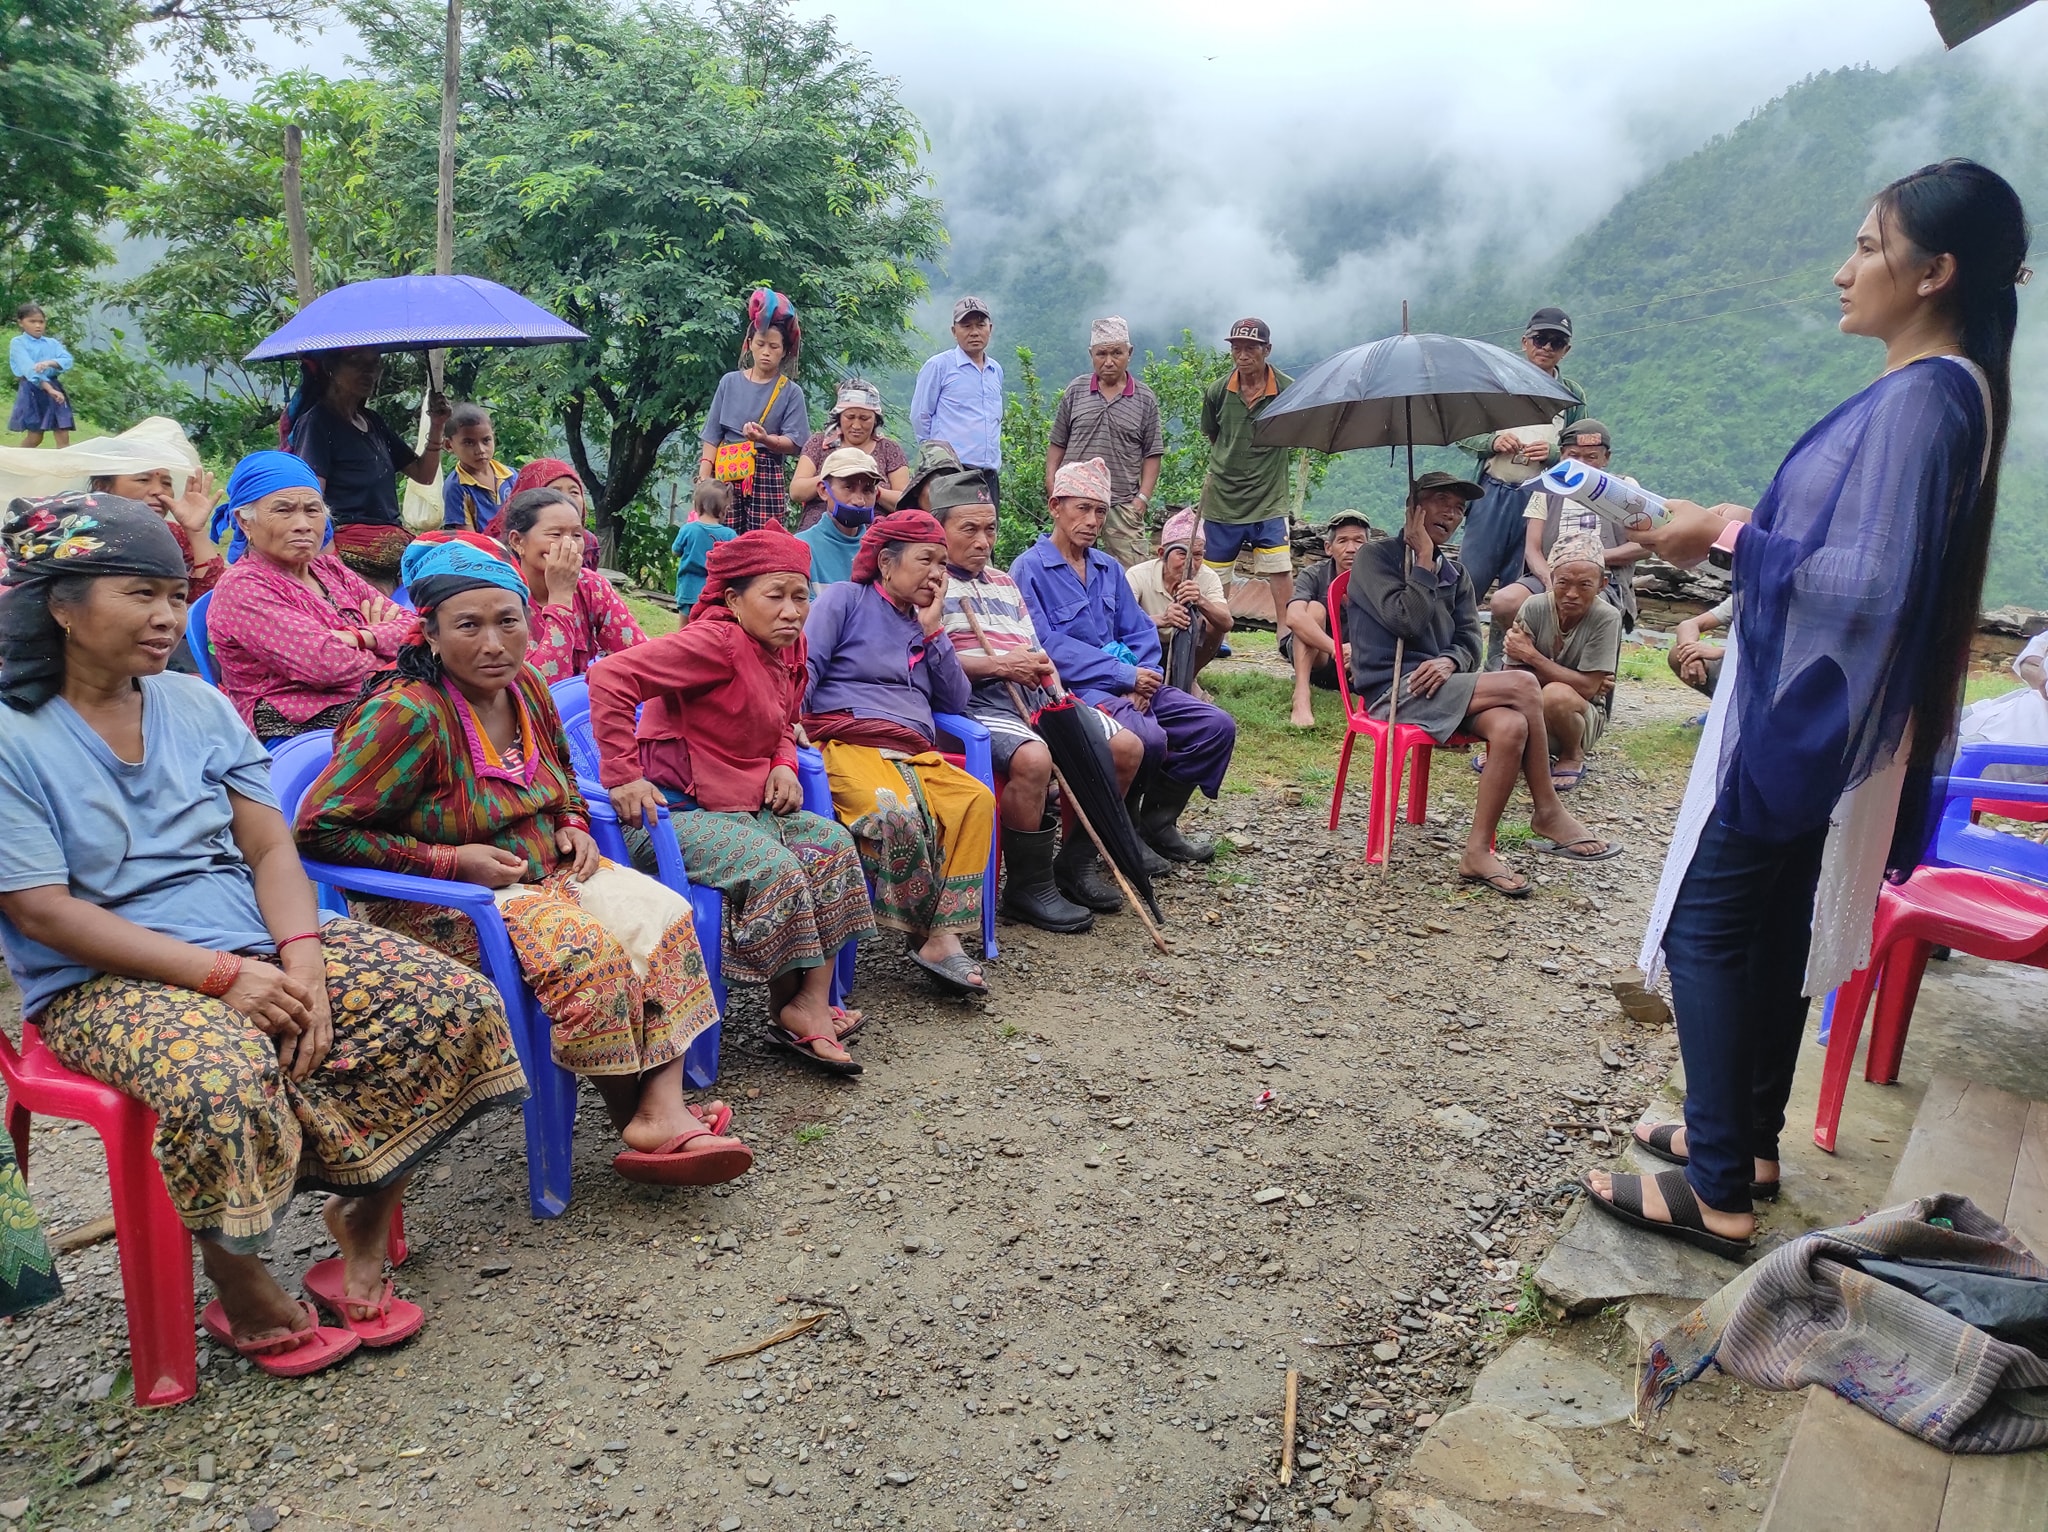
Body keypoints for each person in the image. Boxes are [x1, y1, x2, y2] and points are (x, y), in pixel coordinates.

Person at [1597, 160, 2027, 1259]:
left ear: (1934, 272)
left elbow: (1862, 584)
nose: (1843, 271)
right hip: (1830, 718)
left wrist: (1726, 535)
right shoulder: (1960, 392)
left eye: (1869, 248)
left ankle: (1715, 1186)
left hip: (1800, 721)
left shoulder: (1922, 399)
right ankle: (1743, 1140)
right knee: (1774, 919)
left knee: (1707, 924)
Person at [0, 491, 526, 1374]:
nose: (170, 616)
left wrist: (302, 957)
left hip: (253, 936)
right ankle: (236, 1273)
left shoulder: (198, 706)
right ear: (60, 603)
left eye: (175, 595)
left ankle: (359, 1222)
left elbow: (270, 846)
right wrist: (222, 980)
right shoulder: (13, 737)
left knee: (446, 998)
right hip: (101, 980)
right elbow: (42, 911)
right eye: (141, 595)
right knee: (224, 1071)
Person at [295, 534, 751, 1187]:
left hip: (545, 870)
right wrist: (452, 861)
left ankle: (659, 1111)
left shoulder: (528, 686)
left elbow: (564, 777)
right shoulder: (404, 715)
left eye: (508, 621)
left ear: (529, 622)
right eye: (468, 626)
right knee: (590, 956)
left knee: (665, 915)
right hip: (441, 903)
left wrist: (571, 823)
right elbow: (318, 831)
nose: (492, 643)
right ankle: (644, 1116)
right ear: (428, 631)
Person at [590, 529, 876, 1074]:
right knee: (777, 868)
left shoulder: (788, 644)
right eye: (776, 595)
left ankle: (807, 1002)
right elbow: (609, 676)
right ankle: (798, 1007)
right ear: (733, 600)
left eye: (801, 595)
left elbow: (783, 719)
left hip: (743, 802)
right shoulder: (714, 643)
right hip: (673, 813)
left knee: (834, 845)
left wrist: (784, 764)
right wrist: (623, 775)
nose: (793, 610)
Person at [1346, 471, 1616, 897]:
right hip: (1392, 691)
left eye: (1458, 508)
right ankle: (1547, 809)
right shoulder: (1375, 558)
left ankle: (1477, 851)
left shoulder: (1456, 574)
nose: (1451, 513)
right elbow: (1406, 620)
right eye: (1440, 502)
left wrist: (1450, 661)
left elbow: (1471, 642)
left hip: (1442, 688)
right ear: (1413, 509)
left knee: (1511, 726)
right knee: (1525, 685)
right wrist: (1421, 563)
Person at [936, 467, 1146, 929]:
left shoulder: (1004, 584)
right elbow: (932, 663)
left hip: (1032, 693)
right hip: (977, 702)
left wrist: (1052, 687)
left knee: (1126, 747)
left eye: (989, 529)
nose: (982, 541)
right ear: (940, 530)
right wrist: (997, 666)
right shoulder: (930, 585)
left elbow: (1037, 649)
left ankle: (1074, 864)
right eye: (968, 529)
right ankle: (1028, 887)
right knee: (1033, 759)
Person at [803, 509, 996, 996]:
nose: (937, 573)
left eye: (941, 564)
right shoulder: (846, 600)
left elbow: (954, 701)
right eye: (926, 560)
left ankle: (938, 929)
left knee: (976, 801)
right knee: (894, 813)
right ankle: (933, 936)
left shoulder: (924, 623)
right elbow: (803, 667)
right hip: (850, 740)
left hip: (914, 749)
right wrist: (789, 731)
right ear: (886, 564)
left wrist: (934, 632)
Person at [1013, 459, 1238, 865]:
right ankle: (1121, 829)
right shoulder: (1029, 569)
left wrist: (1145, 674)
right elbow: (1045, 644)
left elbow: (1140, 631)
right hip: (1076, 691)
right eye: (1081, 508)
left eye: (1100, 510)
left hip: (1132, 682)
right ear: (1055, 507)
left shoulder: (1108, 568)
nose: (1092, 520)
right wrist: (1124, 674)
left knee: (1214, 725)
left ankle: (1156, 825)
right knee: (1148, 739)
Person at [209, 452, 413, 739]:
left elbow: (415, 629)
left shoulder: (328, 568)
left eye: (313, 510)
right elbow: (327, 664)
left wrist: (361, 638)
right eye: (284, 510)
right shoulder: (243, 586)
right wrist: (390, 649)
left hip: (370, 698)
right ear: (245, 522)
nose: (303, 524)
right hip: (296, 726)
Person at [0, 415, 221, 608]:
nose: (158, 491)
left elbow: (213, 598)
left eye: (166, 483)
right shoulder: (75, 533)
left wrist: (195, 530)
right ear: (103, 487)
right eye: (142, 479)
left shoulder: (172, 535)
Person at [1453, 308, 1588, 604]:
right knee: (1469, 580)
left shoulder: (1571, 395)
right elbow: (1462, 434)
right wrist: (1493, 440)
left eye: (1557, 342)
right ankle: (1456, 646)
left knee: (1519, 588)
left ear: (1566, 350)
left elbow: (1582, 453)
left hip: (1540, 501)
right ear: (1525, 341)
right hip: (1492, 493)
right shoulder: (1497, 384)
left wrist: (1553, 454)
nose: (1547, 348)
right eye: (1541, 339)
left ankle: (1508, 650)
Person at [1485, 419, 1643, 667]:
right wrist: (1549, 580)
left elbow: (1644, 546)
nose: (1581, 464)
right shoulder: (1547, 488)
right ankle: (1513, 663)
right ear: (1561, 457)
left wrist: (1597, 559)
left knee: (1589, 608)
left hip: (1604, 582)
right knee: (1504, 601)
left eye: (1591, 456)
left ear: (1606, 458)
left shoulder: (1623, 488)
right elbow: (1533, 548)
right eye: (1573, 456)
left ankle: (1582, 673)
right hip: (1550, 576)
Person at [287, 349, 449, 589]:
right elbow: (311, 498)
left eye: (374, 364)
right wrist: (331, 559)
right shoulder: (318, 423)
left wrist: (437, 425)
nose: (369, 373)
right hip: (350, 552)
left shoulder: (372, 421)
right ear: (331, 368)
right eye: (357, 363)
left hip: (392, 545)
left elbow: (423, 475)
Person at [1198, 319, 1296, 639]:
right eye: (1236, 347)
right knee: (1216, 569)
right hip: (1223, 493)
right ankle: (1217, 634)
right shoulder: (1218, 391)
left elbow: (1296, 431)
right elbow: (1214, 435)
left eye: (1251, 347)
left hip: (1269, 494)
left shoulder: (1286, 389)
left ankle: (1286, 631)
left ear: (1267, 350)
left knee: (1279, 566)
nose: (1242, 355)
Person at [1503, 532, 1622, 790]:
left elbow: (1589, 691)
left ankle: (1572, 754)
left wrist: (1532, 657)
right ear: (1552, 578)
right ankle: (1519, 750)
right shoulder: (1534, 607)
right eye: (1563, 583)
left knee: (1556, 695)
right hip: (1533, 709)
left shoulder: (1607, 617)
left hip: (1580, 716)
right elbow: (1511, 676)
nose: (1571, 594)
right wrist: (1578, 680)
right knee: (1494, 688)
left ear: (1602, 584)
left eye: (1584, 585)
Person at [498, 487, 647, 683]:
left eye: (577, 535)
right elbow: (540, 686)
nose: (569, 545)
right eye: (555, 534)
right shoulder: (503, 595)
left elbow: (639, 655)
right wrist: (560, 598)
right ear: (517, 541)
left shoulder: (591, 586)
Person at [1047, 317, 1165, 565]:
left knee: (1131, 577)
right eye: (1101, 354)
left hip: (1121, 505)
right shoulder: (1076, 390)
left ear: (1129, 353)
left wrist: (1141, 501)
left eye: (1116, 353)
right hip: (1073, 501)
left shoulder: (1144, 399)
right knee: (1067, 567)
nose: (1109, 361)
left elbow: (1152, 454)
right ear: (1091, 354)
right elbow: (1057, 443)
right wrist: (1053, 485)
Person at [697, 290, 811, 534]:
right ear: (749, 345)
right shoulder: (729, 382)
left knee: (762, 539)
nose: (766, 352)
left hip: (766, 475)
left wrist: (764, 439)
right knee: (720, 536)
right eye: (760, 344)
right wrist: (704, 479)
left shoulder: (790, 392)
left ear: (785, 350)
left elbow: (795, 443)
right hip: (726, 472)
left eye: (774, 346)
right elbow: (712, 434)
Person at [1283, 509, 1373, 727]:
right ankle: (1302, 695)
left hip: (1358, 666)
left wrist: (1360, 653)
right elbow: (1293, 617)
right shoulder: (1314, 575)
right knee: (1313, 609)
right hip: (1320, 660)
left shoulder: (1379, 580)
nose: (1351, 549)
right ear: (1328, 548)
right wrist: (1337, 649)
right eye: (1342, 541)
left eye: (1359, 541)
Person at [911, 298, 1004, 506]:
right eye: (966, 326)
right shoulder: (939, 366)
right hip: (951, 473)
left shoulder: (995, 370)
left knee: (986, 535)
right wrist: (935, 462)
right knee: (952, 534)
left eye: (980, 325)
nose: (974, 332)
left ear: (990, 328)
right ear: (954, 331)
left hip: (989, 474)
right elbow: (920, 416)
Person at [1126, 509, 1234, 687]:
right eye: (1182, 554)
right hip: (1146, 647)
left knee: (1215, 624)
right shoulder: (1138, 575)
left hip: (1187, 648)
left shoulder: (1208, 577)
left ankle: (1188, 679)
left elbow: (1226, 623)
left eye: (1198, 555)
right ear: (1162, 554)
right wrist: (1162, 619)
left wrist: (1201, 600)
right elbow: (1122, 623)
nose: (1191, 562)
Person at [789, 381, 910, 530]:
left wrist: (872, 490)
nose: (856, 425)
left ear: (876, 419)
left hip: (874, 533)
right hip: (820, 530)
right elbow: (796, 491)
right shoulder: (820, 443)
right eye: (850, 417)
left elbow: (905, 502)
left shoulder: (889, 449)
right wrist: (834, 477)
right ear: (839, 416)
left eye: (864, 418)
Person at [488, 458, 603, 570]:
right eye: (555, 534)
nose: (567, 499)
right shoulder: (495, 554)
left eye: (574, 492)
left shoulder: (588, 542)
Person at [794, 447, 884, 589]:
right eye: (848, 487)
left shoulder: (880, 553)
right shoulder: (801, 547)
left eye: (867, 490)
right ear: (823, 491)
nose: (859, 501)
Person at [1958, 626, 2048, 757]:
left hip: (2025, 742)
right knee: (1926, 721)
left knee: (1930, 753)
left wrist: (2042, 667)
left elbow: (2040, 675)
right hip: (1996, 711)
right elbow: (2026, 664)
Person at [441, 404, 514, 532]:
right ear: (449, 445)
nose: (480, 450)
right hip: (484, 549)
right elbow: (469, 540)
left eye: (486, 440)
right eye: (469, 443)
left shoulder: (511, 476)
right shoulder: (456, 488)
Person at [9, 304, 72, 449]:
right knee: (35, 436)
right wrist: (49, 389)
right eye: (32, 321)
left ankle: (64, 468)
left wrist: (49, 362)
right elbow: (29, 369)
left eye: (41, 322)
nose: (38, 326)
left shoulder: (52, 343)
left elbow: (67, 360)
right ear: (21, 322)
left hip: (54, 387)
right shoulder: (18, 343)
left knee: (63, 431)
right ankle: (15, 462)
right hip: (33, 389)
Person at [672, 479, 736, 613]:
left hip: (687, 590)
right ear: (724, 510)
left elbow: (676, 551)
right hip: (714, 593)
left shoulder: (688, 529)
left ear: (696, 506)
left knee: (684, 630)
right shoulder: (730, 535)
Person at [1668, 596, 1732, 698]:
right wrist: (1692, 655)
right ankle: (1723, 705)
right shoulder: (1745, 598)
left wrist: (1723, 652)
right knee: (1677, 654)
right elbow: (1688, 624)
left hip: (1760, 670)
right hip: (1734, 663)